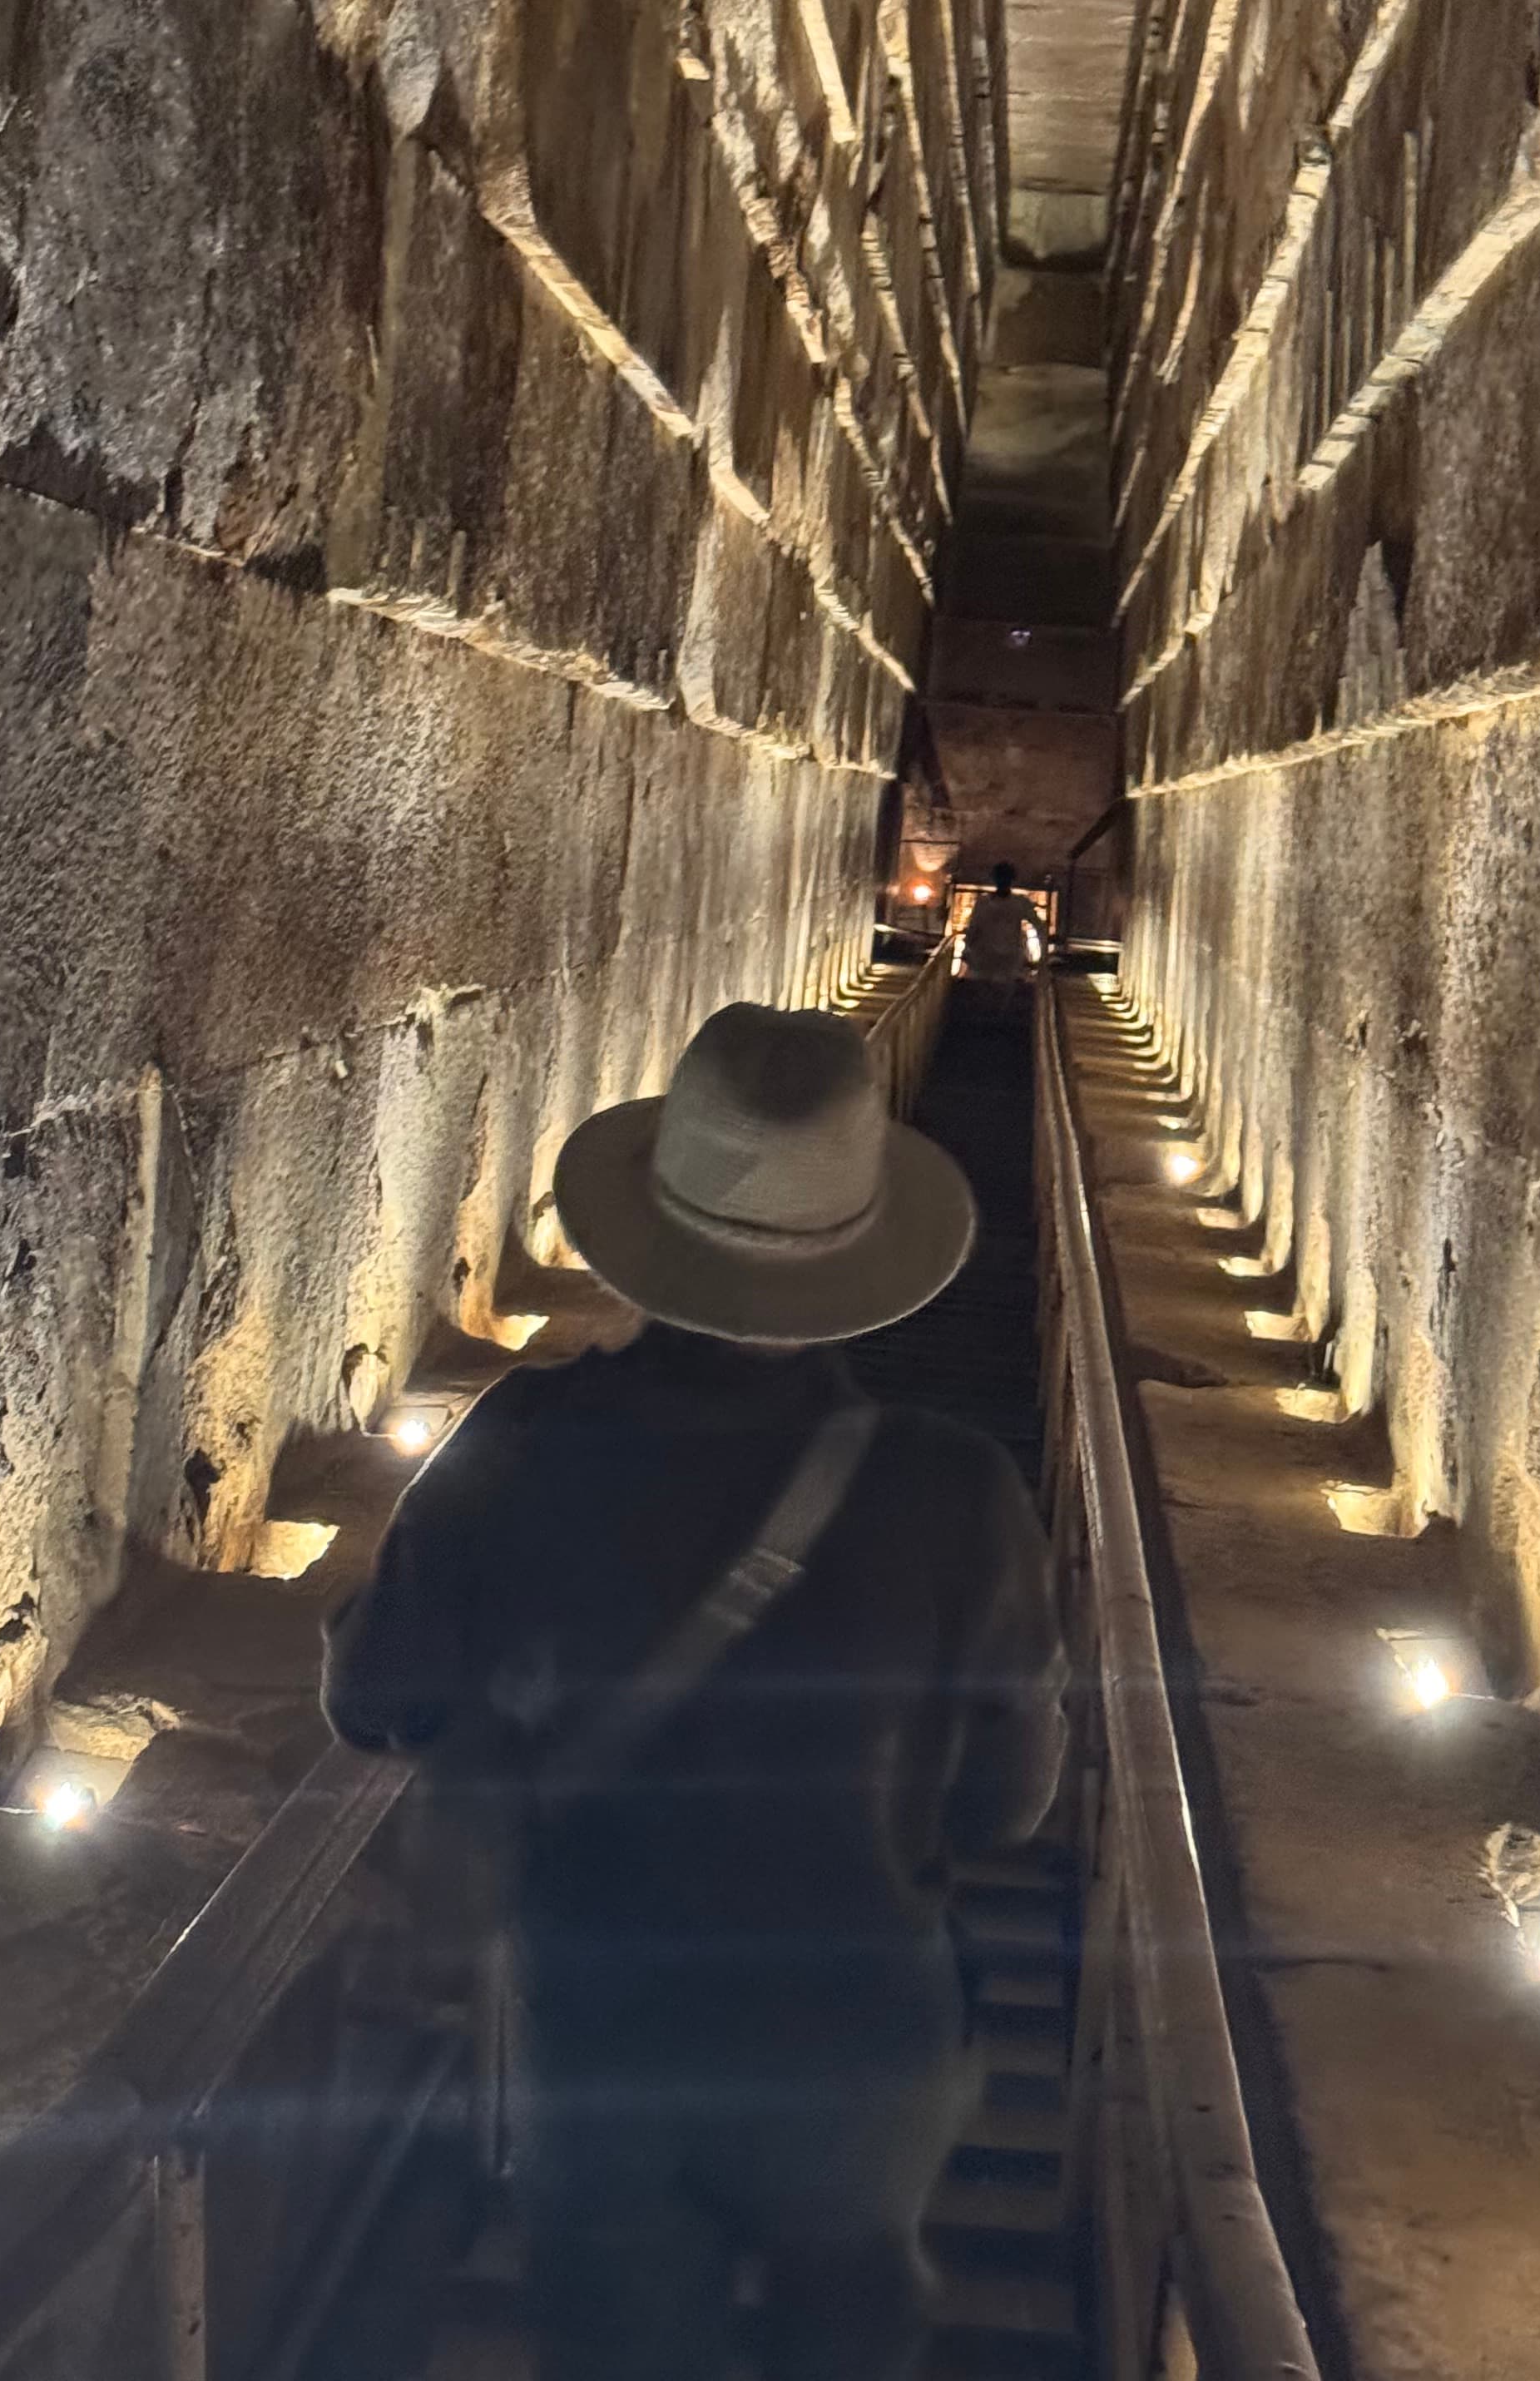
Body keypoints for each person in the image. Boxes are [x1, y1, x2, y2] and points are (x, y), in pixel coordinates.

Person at [324, 1002, 1067, 2381]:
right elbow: (1006, 1800)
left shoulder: (520, 1450)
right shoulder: (954, 1490)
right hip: (856, 2034)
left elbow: (372, 1694)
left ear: (653, 1228)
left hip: (605, 2029)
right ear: (856, 1249)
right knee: (846, 2326)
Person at [959, 862, 1045, 1013]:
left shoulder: (1016, 903)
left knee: (997, 993)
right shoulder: (986, 903)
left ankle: (994, 1018)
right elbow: (973, 929)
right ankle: (992, 1018)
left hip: (1003, 956)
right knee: (992, 992)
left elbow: (973, 929)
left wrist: (1042, 955)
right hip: (989, 955)